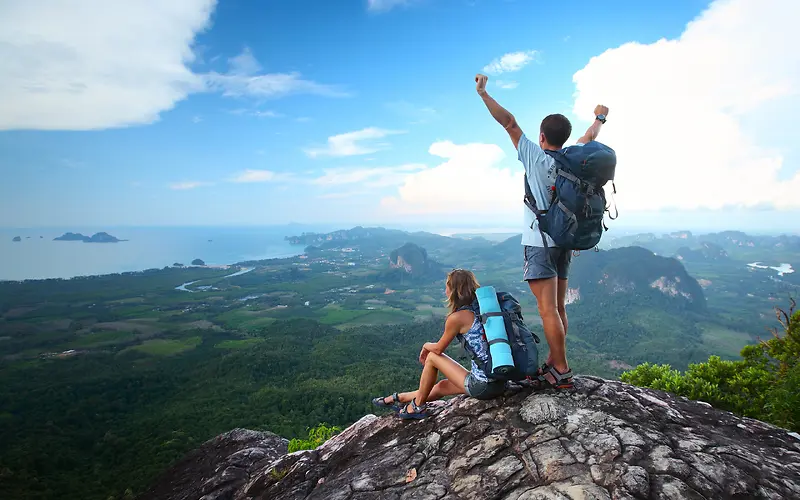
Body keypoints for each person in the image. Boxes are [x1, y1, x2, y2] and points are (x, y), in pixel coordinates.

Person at [474, 73, 609, 390]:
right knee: (558, 308)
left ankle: (560, 369)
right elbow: (589, 137)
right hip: (565, 242)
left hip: (540, 243)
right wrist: (600, 117)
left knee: (547, 310)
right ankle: (555, 358)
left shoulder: (536, 157)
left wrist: (483, 93)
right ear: (566, 137)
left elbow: (508, 123)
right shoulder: (573, 160)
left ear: (542, 135)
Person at [371, 269, 506, 419]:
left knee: (432, 357)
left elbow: (438, 349)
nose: (445, 290)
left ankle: (417, 407)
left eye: (447, 286)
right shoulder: (486, 310)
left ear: (454, 290)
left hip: (483, 385)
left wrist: (425, 345)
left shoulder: (457, 318)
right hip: (501, 381)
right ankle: (399, 398)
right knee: (441, 386)